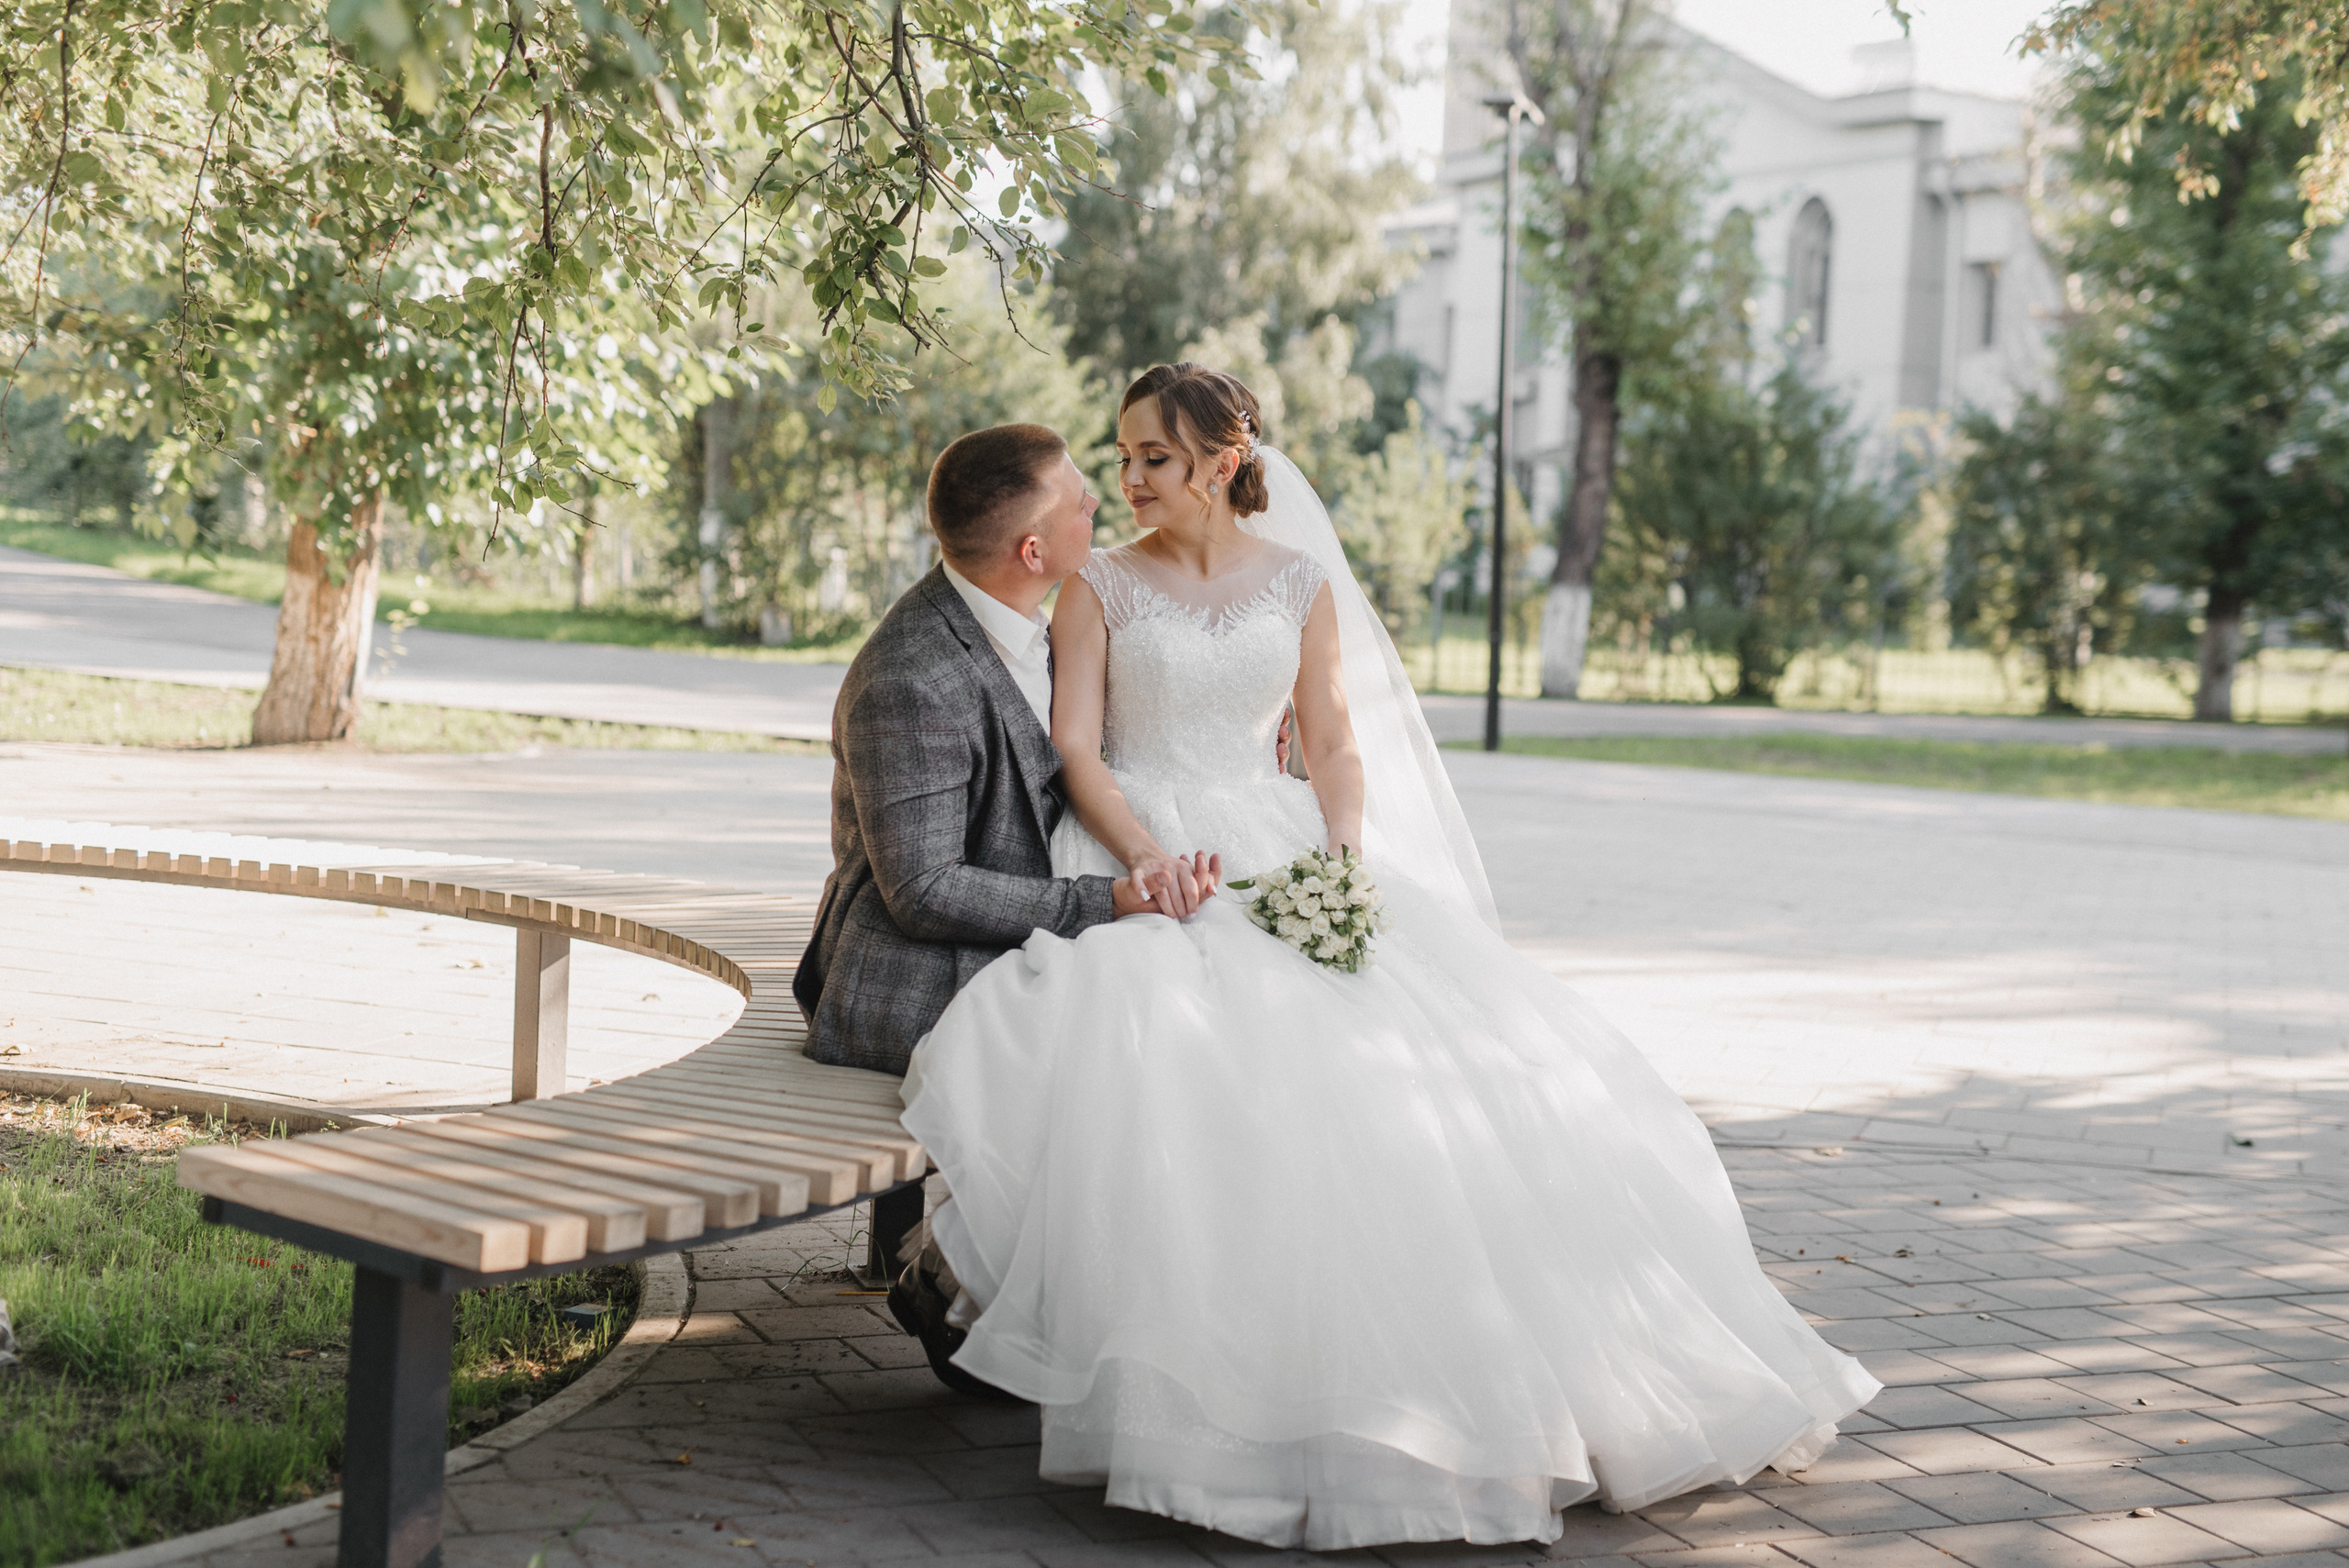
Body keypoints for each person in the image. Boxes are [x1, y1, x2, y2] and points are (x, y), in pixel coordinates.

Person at [896, 364, 1881, 1550]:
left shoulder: (1298, 583)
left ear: (1221, 461)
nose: (1131, 478)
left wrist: (1344, 856)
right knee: (1178, 1056)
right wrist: (1148, 862)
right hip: (1142, 841)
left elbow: (1332, 740)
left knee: (1412, 1073)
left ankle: (1452, 1386)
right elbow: (1080, 750)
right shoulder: (1097, 586)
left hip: (1277, 840)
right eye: (1124, 456)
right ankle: (1198, 1386)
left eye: (1154, 456)